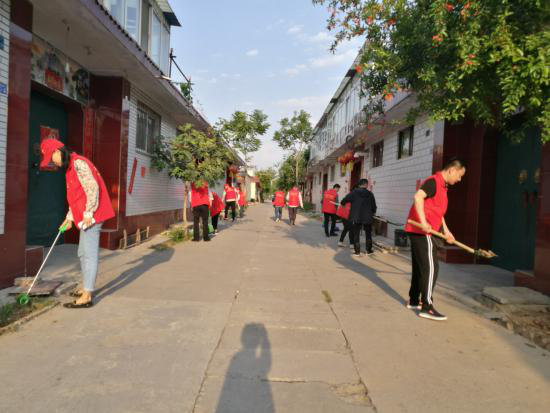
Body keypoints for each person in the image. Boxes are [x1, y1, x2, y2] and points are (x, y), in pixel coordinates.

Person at [40, 138, 115, 308]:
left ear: (57, 151)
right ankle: (85, 286)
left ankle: (87, 295)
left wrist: (89, 212)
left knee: (89, 254)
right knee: (82, 253)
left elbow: (92, 188)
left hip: (93, 215)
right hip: (84, 215)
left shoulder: (79, 163)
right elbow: (76, 197)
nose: (53, 162)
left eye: (52, 158)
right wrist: (69, 218)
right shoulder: (70, 167)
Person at [404, 158, 466, 321]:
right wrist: (423, 222)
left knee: (420, 267)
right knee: (431, 268)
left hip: (423, 231)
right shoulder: (434, 182)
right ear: (452, 170)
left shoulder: (443, 186)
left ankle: (414, 300)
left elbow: (438, 213)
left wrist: (447, 231)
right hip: (423, 231)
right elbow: (418, 197)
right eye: (459, 175)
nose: (459, 179)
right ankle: (427, 307)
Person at [340, 179, 377, 257]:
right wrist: (373, 212)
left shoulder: (354, 192)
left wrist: (343, 204)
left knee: (356, 234)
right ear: (366, 185)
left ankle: (357, 252)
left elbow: (344, 200)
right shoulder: (370, 194)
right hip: (367, 217)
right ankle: (368, 250)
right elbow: (374, 206)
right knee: (368, 234)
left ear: (359, 184)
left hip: (356, 217)